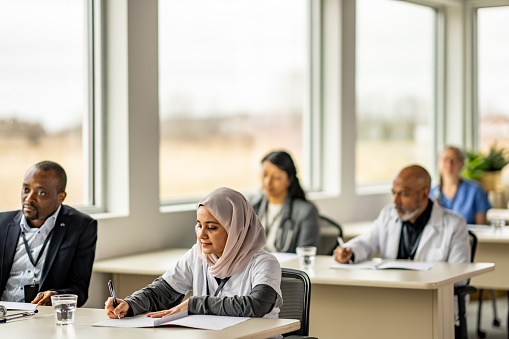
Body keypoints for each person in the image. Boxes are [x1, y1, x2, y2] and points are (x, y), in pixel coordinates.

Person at [105, 187, 282, 320]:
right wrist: (129, 304)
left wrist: (196, 304)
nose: (201, 234)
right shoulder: (198, 255)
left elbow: (258, 305)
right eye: (199, 225)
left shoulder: (264, 263)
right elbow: (161, 292)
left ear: (237, 229)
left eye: (211, 227)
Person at [0, 161, 97, 307]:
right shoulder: (2, 223)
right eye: (26, 189)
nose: (29, 198)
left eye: (41, 193)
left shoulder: (81, 226)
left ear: (61, 197)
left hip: (44, 318)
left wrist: (57, 296)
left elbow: (79, 290)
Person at [333, 165, 470, 265]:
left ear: (424, 193)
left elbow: (459, 276)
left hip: (431, 298)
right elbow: (367, 242)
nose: (395, 201)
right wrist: (350, 251)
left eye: (404, 194)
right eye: (394, 193)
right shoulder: (388, 214)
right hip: (394, 294)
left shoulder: (454, 225)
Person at [250, 151, 319, 253]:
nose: (268, 181)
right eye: (264, 175)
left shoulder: (306, 211)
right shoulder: (250, 206)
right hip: (254, 267)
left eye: (276, 177)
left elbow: (306, 253)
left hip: (286, 268)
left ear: (290, 179)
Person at [430, 145, 491, 225]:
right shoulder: (431, 192)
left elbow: (481, 226)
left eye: (453, 160)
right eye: (445, 159)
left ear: (462, 163)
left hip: (468, 236)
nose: (449, 164)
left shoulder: (475, 190)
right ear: (438, 163)